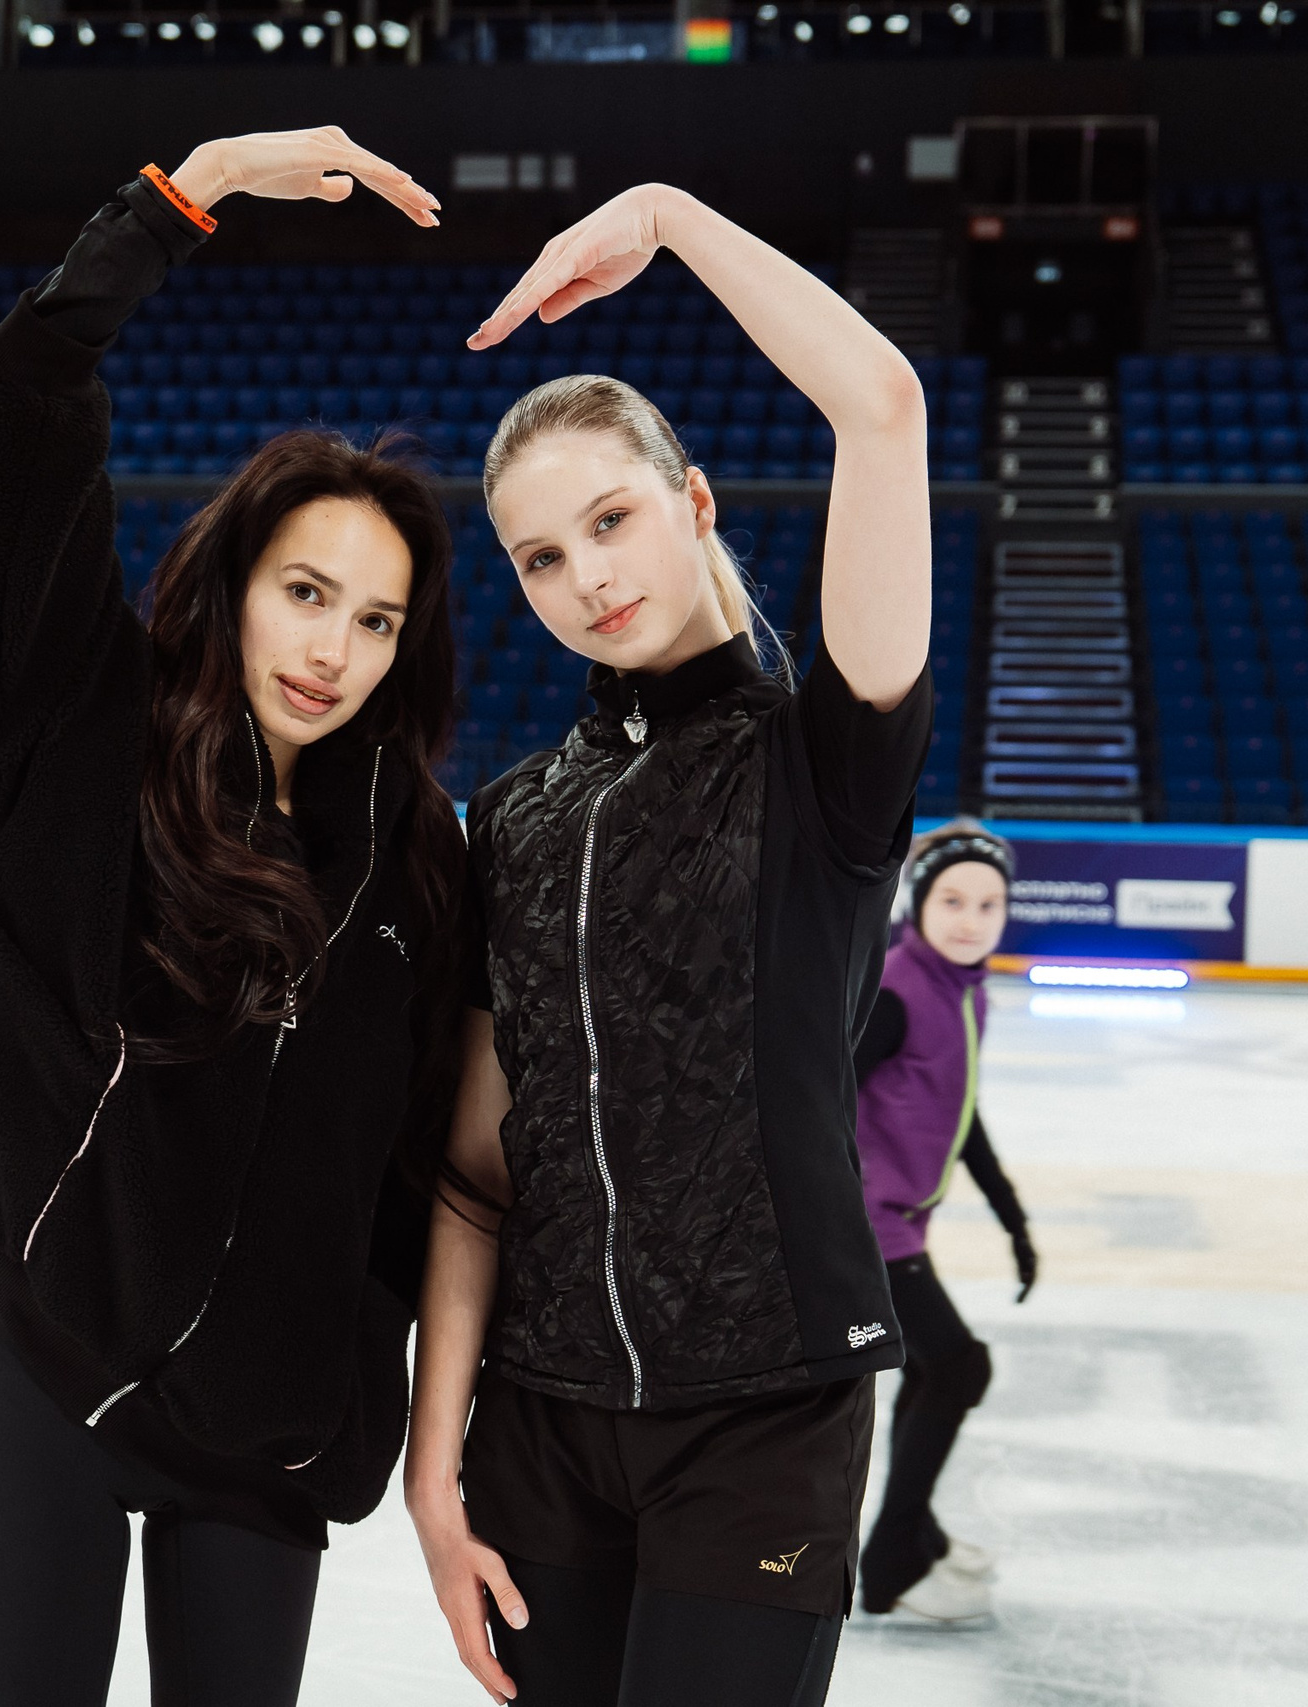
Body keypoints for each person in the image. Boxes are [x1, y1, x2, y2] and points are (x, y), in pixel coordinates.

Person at [0, 130, 467, 1707]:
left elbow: (419, 1167)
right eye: (307, 591)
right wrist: (177, 203)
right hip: (47, 1375)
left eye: (376, 618)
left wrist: (374, 1397)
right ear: (234, 576)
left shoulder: (416, 859)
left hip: (265, 1431)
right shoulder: (73, 729)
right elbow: (5, 448)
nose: (334, 646)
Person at [405, 181, 933, 1707]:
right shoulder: (509, 819)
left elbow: (883, 407)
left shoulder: (823, 756)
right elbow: (476, 1171)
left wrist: (671, 219)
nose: (589, 579)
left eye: (612, 518)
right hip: (544, 1423)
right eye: (541, 557)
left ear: (694, 501)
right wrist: (435, 1467)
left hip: (765, 1414)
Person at [849, 820, 1038, 1627]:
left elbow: (963, 1111)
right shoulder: (897, 987)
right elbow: (823, 1089)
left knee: (934, 1372)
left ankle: (912, 1531)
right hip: (868, 1224)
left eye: (989, 903)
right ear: (920, 901)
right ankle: (891, 1557)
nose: (971, 918)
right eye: (953, 900)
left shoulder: (962, 987)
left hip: (903, 1221)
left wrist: (1012, 1216)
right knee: (958, 1369)